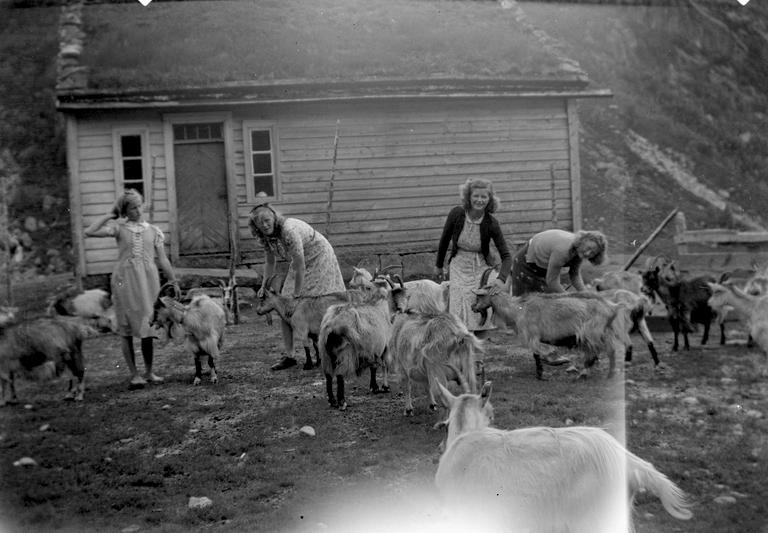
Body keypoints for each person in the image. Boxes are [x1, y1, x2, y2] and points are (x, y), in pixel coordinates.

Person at [84, 189, 179, 389]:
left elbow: (163, 259)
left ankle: (149, 371)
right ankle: (134, 374)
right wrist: (110, 215)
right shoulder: (118, 229)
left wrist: (173, 280)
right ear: (125, 211)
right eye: (132, 208)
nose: (137, 211)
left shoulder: (154, 231)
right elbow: (89, 231)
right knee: (126, 327)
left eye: (139, 206)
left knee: (148, 325)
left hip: (148, 282)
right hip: (125, 281)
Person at [249, 194, 346, 371]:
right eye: (259, 223)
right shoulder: (265, 237)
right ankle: (290, 356)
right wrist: (263, 285)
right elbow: (270, 263)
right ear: (255, 226)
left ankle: (333, 352)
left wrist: (297, 294)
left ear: (274, 217)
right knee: (284, 306)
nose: (264, 225)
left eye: (267, 220)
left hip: (319, 257)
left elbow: (300, 266)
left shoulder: (289, 230)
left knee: (319, 303)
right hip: (300, 262)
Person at [434, 178, 511, 338]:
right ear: (468, 197)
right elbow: (444, 240)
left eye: (484, 197)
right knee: (459, 310)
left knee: (480, 308)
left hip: (480, 268)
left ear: (489, 199)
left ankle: (479, 350)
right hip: (459, 265)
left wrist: (501, 279)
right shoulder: (457, 214)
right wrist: (439, 266)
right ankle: (461, 346)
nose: (479, 200)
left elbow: (506, 256)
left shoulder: (491, 223)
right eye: (476, 196)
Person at [511, 228, 607, 296]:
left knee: (545, 301)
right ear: (582, 241)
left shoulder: (579, 251)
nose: (588, 253)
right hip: (526, 263)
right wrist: (570, 298)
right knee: (522, 303)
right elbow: (552, 281)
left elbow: (574, 275)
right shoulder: (563, 251)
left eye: (593, 253)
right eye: (588, 248)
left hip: (542, 266)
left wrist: (587, 295)